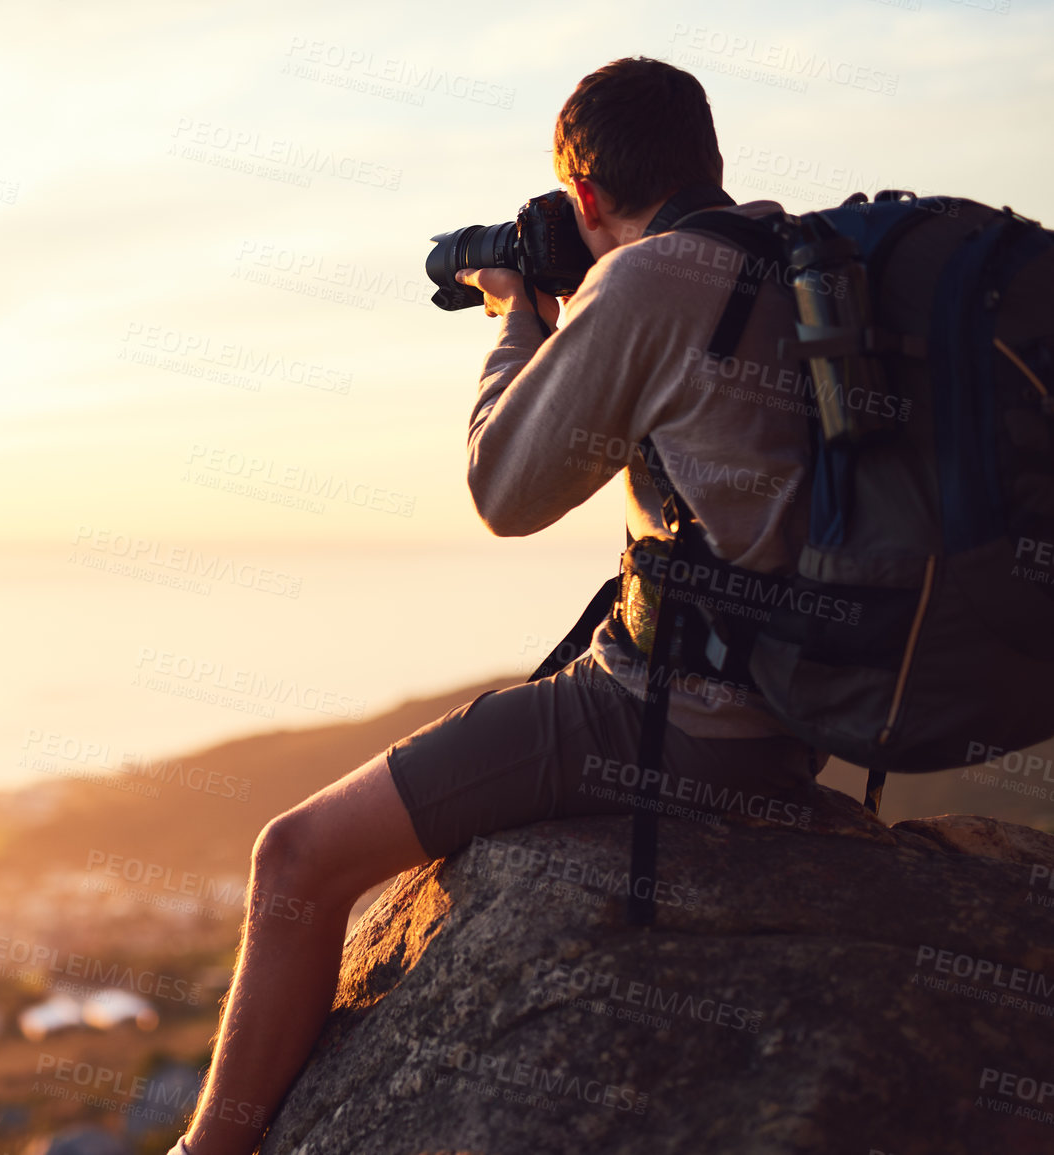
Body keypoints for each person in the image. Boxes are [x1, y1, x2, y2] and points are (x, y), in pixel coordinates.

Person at [169, 56, 830, 1155]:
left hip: (678, 723)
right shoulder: (790, 260)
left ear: (582, 197)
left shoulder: (650, 281)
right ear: (710, 160)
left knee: (294, 856)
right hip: (807, 708)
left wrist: (515, 317)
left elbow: (503, 492)